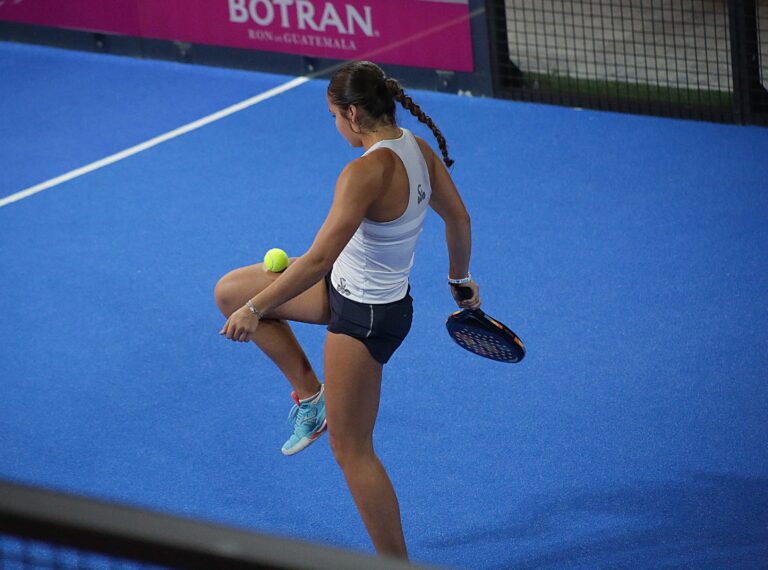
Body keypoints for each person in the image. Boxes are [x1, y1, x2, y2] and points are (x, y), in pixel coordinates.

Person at [214, 60, 480, 559]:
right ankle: (311, 397)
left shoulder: (363, 172)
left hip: (365, 317)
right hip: (344, 287)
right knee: (229, 290)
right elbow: (459, 219)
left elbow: (317, 259)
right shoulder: (419, 149)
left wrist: (255, 309)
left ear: (353, 114)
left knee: (352, 450)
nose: (335, 125)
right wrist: (459, 280)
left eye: (334, 116)